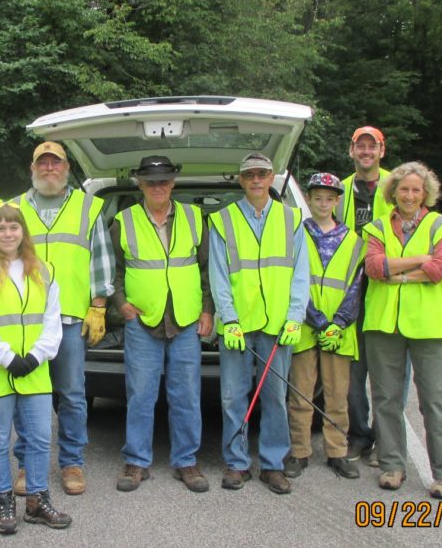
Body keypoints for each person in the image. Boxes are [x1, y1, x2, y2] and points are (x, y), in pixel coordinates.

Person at [0, 202, 71, 534]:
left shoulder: (44, 270)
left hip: (34, 367)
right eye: (0, 228)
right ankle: (4, 502)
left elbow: (53, 322)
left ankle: (36, 502)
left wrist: (36, 356)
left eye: (14, 227)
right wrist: (7, 357)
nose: (8, 233)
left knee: (38, 438)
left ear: (23, 231)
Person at [11, 140, 114, 497]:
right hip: (25, 319)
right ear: (33, 168)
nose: (49, 169)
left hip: (70, 318)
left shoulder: (88, 207)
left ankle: (72, 462)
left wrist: (98, 305)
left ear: (67, 169)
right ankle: (26, 463)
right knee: (28, 393)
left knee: (72, 395)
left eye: (56, 163)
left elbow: (100, 258)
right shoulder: (14, 208)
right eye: (43, 163)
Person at [362, 161, 442, 499]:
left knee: (435, 400)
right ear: (393, 191)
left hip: (430, 325)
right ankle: (392, 466)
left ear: (426, 194)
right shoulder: (376, 228)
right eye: (403, 189)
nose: (409, 195)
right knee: (385, 399)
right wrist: (420, 259)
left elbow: (441, 268)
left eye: (415, 190)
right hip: (384, 323)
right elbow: (375, 267)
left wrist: (401, 274)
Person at [111, 155, 214, 494]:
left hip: (185, 318)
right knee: (140, 394)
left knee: (185, 394)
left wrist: (207, 310)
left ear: (173, 183)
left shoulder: (195, 217)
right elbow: (113, 269)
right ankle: (137, 461)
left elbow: (207, 270)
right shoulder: (123, 221)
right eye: (151, 181)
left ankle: (186, 461)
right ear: (140, 184)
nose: (158, 186)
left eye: (164, 180)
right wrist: (120, 303)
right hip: (142, 320)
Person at [209, 152, 309, 495]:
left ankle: (272, 465)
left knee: (275, 398)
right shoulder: (222, 220)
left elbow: (301, 274)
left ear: (271, 178)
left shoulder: (292, 219)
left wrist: (296, 317)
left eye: (262, 174)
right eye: (249, 174)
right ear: (241, 180)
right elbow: (218, 276)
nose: (255, 179)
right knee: (233, 398)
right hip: (238, 326)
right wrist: (229, 319)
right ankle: (236, 463)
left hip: (278, 326)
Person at [284, 173, 364, 481]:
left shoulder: (354, 241)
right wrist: (317, 321)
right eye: (317, 197)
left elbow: (357, 285)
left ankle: (337, 452)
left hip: (339, 331)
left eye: (329, 198)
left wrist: (339, 323)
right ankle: (299, 451)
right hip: (306, 326)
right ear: (309, 199)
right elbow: (292, 280)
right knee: (301, 394)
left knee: (336, 395)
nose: (322, 203)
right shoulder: (297, 234)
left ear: (337, 201)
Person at [339, 126, 394, 463]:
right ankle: (359, 436)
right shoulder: (340, 189)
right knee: (353, 374)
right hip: (350, 291)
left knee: (388, 375)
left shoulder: (397, 186)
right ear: (352, 151)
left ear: (382, 151)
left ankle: (387, 441)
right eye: (361, 146)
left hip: (386, 289)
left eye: (372, 146)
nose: (366, 152)